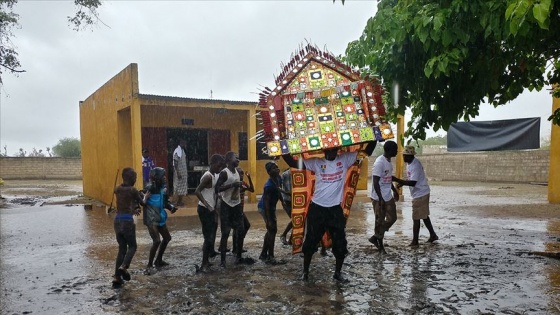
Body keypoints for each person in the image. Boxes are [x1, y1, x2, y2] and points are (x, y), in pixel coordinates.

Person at [283, 141, 376, 282]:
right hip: (317, 209)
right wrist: (282, 148)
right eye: (329, 150)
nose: (332, 152)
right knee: (310, 243)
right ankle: (305, 272)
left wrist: (375, 136)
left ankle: (337, 273)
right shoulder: (316, 163)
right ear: (325, 150)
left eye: (334, 150)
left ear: (338, 150)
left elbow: (366, 152)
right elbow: (293, 163)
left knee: (340, 244)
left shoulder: (345, 159)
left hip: (334, 210)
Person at [394, 146, 439, 246]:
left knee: (416, 217)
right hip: (419, 192)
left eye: (405, 156)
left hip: (420, 193)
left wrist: (398, 180)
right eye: (403, 156)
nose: (404, 158)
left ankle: (415, 241)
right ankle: (433, 235)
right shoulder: (409, 164)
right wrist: (402, 183)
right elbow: (411, 179)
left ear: (410, 156)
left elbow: (413, 182)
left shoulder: (415, 165)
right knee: (423, 215)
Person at [112, 167, 148, 288]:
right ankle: (124, 266)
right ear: (130, 178)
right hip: (127, 221)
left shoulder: (117, 189)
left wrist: (133, 208)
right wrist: (145, 196)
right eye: (135, 178)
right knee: (133, 246)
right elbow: (142, 203)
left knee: (122, 248)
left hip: (117, 220)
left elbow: (125, 203)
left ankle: (117, 277)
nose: (135, 180)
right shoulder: (133, 190)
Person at [215, 151, 248, 267]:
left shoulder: (238, 172)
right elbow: (217, 188)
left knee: (241, 230)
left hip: (237, 205)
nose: (238, 160)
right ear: (229, 160)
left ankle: (238, 256)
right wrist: (232, 185)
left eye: (239, 158)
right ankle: (223, 261)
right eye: (236, 158)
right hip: (226, 205)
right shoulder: (224, 173)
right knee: (226, 233)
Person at [143, 167, 177, 273]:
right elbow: (141, 200)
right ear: (157, 178)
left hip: (160, 217)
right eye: (163, 176)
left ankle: (158, 260)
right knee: (157, 241)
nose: (165, 178)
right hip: (151, 218)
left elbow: (165, 202)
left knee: (167, 238)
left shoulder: (163, 189)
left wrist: (171, 207)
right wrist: (144, 198)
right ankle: (149, 265)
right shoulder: (150, 188)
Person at [369, 140, 400, 254]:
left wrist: (394, 190)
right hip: (378, 197)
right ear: (389, 150)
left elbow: (387, 178)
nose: (397, 151)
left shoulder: (389, 161)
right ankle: (380, 245)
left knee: (393, 218)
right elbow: (375, 182)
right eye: (395, 149)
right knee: (379, 220)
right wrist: (380, 198)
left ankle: (376, 236)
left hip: (388, 195)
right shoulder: (379, 163)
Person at [194, 154, 225, 271]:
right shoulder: (208, 176)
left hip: (211, 208)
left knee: (211, 235)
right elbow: (197, 191)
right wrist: (207, 205)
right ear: (212, 163)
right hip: (205, 209)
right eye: (218, 165)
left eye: (221, 166)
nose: (220, 168)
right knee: (208, 237)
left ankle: (207, 259)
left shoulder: (215, 175)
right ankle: (203, 264)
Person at [258, 162, 283, 263]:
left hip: (271, 208)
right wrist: (268, 219)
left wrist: (283, 202)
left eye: (277, 167)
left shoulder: (278, 178)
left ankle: (264, 253)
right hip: (265, 208)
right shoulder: (268, 186)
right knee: (272, 229)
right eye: (273, 168)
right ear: (268, 172)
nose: (277, 169)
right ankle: (271, 256)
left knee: (270, 230)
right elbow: (267, 203)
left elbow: (279, 191)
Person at [232, 169, 254, 255]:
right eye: (239, 174)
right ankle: (237, 248)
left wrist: (249, 177)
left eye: (242, 174)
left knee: (243, 227)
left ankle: (237, 246)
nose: (241, 176)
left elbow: (252, 190)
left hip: (240, 209)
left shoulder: (243, 183)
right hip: (235, 209)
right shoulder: (235, 183)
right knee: (239, 228)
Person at [279, 168, 293, 246]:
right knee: (295, 220)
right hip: (287, 200)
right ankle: (284, 235)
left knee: (297, 220)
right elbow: (279, 187)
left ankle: (290, 239)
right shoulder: (285, 174)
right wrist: (286, 192)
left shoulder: (300, 172)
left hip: (296, 200)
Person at [173, 139, 188, 207]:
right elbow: (175, 162)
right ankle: (176, 202)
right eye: (184, 143)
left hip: (183, 173)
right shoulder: (177, 151)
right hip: (179, 172)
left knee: (182, 188)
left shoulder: (182, 150)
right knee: (178, 187)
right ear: (182, 143)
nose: (185, 145)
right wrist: (178, 172)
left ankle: (180, 201)